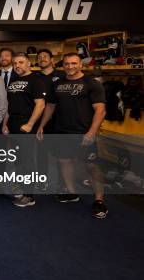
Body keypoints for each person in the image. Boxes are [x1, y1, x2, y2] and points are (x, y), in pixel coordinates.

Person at [37, 53, 108, 219]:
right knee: (64, 161)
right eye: (67, 64)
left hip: (83, 132)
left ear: (80, 65)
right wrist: (42, 125)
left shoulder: (91, 84)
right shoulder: (58, 83)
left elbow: (100, 110)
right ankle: (71, 192)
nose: (70, 67)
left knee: (90, 165)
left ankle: (99, 200)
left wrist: (91, 132)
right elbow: (50, 106)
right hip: (62, 131)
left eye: (74, 63)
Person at [2, 53, 46, 208]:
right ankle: (21, 188)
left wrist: (30, 124)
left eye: (21, 62)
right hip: (13, 124)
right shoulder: (14, 80)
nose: (17, 65)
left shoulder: (36, 80)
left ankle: (29, 196)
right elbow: (9, 105)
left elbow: (40, 104)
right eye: (15, 63)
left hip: (25, 126)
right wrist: (5, 124)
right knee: (17, 160)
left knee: (27, 161)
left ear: (29, 64)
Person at [35, 49, 63, 190]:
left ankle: (62, 184)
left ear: (52, 59)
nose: (42, 59)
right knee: (42, 152)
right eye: (39, 57)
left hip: (60, 120)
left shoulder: (62, 76)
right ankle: (42, 181)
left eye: (45, 57)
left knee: (61, 154)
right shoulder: (35, 77)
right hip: (42, 121)